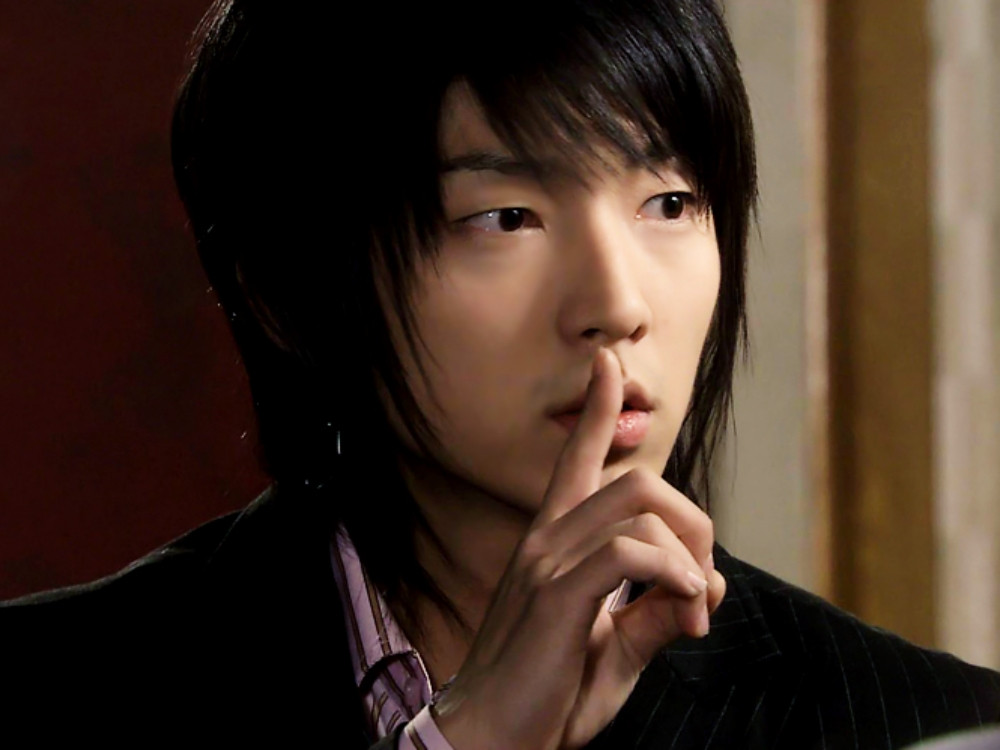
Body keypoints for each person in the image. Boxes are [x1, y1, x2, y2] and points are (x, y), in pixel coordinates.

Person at [4, 0, 998, 747]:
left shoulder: (915, 720)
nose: (617, 302)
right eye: (505, 217)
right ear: (285, 291)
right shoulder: (54, 688)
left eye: (668, 202)